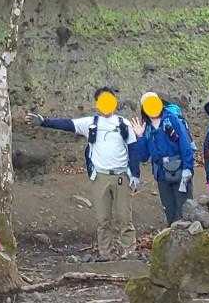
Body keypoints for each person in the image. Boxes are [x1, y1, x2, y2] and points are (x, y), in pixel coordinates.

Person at [27, 87, 140, 260]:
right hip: (100, 177)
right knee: (103, 218)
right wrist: (43, 122)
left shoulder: (124, 124)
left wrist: (135, 175)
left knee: (124, 217)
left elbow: (133, 149)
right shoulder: (90, 123)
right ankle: (106, 253)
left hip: (121, 176)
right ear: (97, 104)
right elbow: (67, 124)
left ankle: (128, 251)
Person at [131, 92, 195, 226]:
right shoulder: (147, 128)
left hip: (180, 170)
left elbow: (184, 144)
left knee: (184, 209)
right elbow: (143, 157)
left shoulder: (172, 119)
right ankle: (172, 235)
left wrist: (188, 168)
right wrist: (140, 137)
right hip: (161, 174)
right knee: (169, 210)